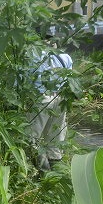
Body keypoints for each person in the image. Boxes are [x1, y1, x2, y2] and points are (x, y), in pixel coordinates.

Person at [28, 37, 73, 172]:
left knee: (32, 138)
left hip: (41, 98)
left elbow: (23, 80)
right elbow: (69, 79)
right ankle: (57, 176)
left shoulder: (32, 56)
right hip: (61, 98)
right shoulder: (66, 57)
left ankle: (43, 174)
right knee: (55, 138)